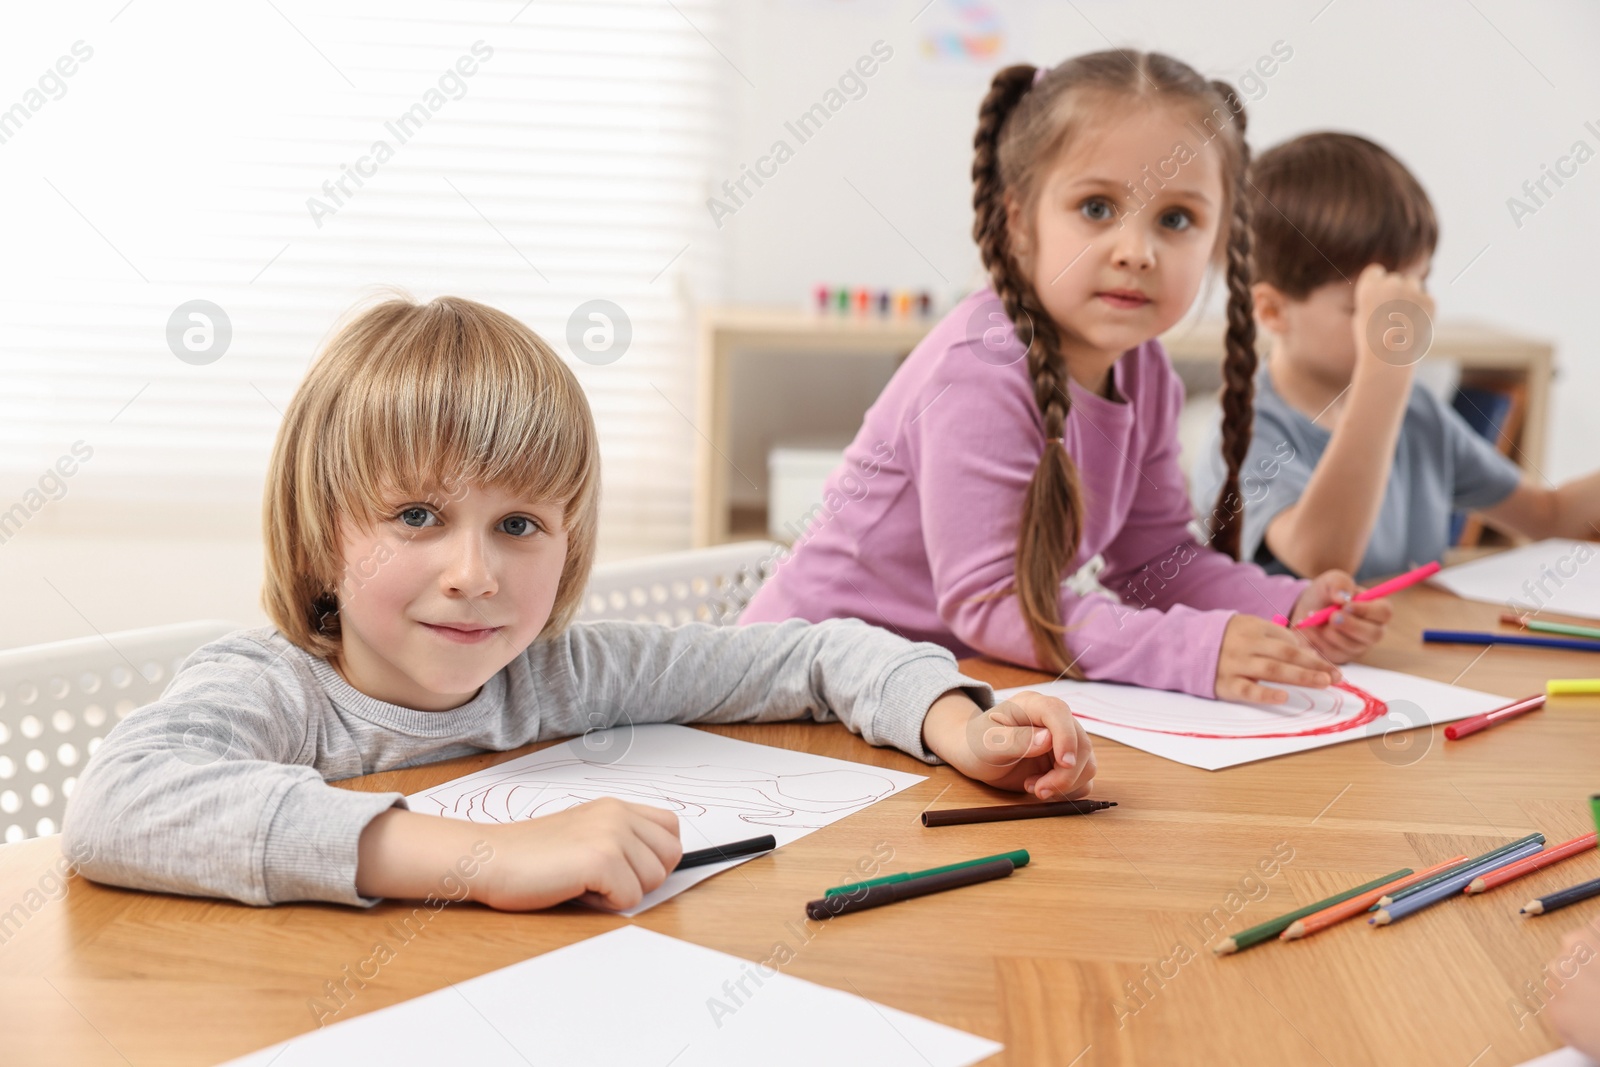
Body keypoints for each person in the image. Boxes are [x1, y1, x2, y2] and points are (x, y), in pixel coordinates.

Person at [60, 294, 1096, 911]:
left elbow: (812, 655)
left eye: (519, 525)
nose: (475, 572)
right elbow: (118, 806)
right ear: (323, 531)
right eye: (417, 515)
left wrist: (957, 722)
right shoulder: (272, 689)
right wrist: (484, 855)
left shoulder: (564, 673)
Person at [743, 51, 1386, 703]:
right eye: (1097, 207)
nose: (1136, 250)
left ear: (1219, 238)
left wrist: (1291, 606)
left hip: (929, 691)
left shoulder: (1146, 371)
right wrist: (1193, 649)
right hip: (806, 690)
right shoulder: (982, 366)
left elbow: (1154, 563)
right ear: (1020, 220)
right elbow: (992, 603)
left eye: (1176, 219)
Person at [1191, 131, 1600, 583]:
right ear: (1271, 311)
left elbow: (1549, 516)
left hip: (1406, 648)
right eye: (1366, 308)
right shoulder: (1247, 435)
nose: (1404, 324)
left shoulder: (1416, 413)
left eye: (1414, 289)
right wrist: (1383, 372)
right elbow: (1325, 560)